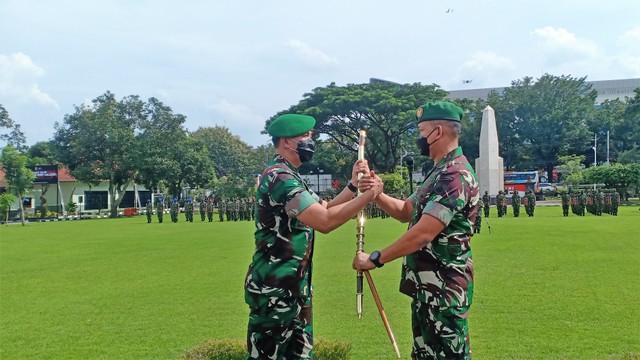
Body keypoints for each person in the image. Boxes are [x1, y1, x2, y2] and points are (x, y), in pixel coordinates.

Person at [244, 113, 382, 360]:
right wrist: (369, 196)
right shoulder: (280, 177)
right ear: (287, 142)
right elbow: (325, 222)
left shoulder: (290, 175)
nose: (312, 141)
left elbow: (325, 208)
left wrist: (352, 186)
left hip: (294, 287)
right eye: (306, 136)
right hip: (275, 291)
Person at [353, 101, 479, 360]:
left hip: (445, 290)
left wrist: (375, 259)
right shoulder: (438, 172)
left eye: (422, 131)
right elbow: (405, 211)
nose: (419, 138)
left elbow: (424, 232)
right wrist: (375, 192)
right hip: (428, 289)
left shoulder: (455, 175)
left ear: (439, 132)